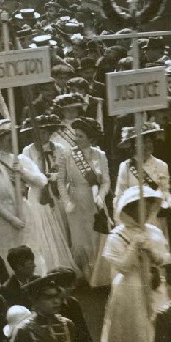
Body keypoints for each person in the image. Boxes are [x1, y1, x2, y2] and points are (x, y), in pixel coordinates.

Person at [100, 186, 170, 342]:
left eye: (148, 207)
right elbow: (122, 267)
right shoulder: (117, 236)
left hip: (155, 285)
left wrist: (152, 252)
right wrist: (134, 245)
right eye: (141, 208)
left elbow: (165, 259)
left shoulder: (154, 232)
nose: (146, 212)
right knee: (136, 330)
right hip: (130, 289)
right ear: (129, 210)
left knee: (159, 326)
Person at [20, 114, 78, 276]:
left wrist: (53, 177)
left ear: (50, 132)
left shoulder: (59, 149)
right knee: (41, 225)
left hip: (56, 191)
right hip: (38, 193)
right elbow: (26, 174)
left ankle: (63, 260)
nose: (41, 136)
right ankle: (48, 262)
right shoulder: (28, 151)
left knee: (60, 223)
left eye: (45, 132)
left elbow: (65, 172)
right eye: (37, 133)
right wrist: (40, 179)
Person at [0, 119, 48, 259]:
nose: (12, 142)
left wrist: (23, 172)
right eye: (8, 139)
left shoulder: (22, 160)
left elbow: (42, 182)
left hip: (24, 212)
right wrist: (12, 220)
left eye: (13, 138)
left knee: (28, 252)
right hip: (3, 219)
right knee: (7, 253)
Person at [58, 117, 110, 283]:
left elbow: (106, 181)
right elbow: (60, 181)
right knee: (79, 241)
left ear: (91, 138)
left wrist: (101, 196)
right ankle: (85, 275)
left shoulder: (100, 155)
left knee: (96, 237)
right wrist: (66, 201)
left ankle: (98, 276)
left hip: (95, 202)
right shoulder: (67, 155)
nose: (76, 139)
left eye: (80, 136)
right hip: (76, 202)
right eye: (76, 135)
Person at [9, 275, 81, 342]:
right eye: (49, 297)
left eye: (57, 296)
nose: (56, 301)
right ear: (35, 301)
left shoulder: (68, 325)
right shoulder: (24, 331)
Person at [1, 245, 40, 309]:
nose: (34, 266)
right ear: (19, 267)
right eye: (31, 263)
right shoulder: (7, 289)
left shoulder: (38, 281)